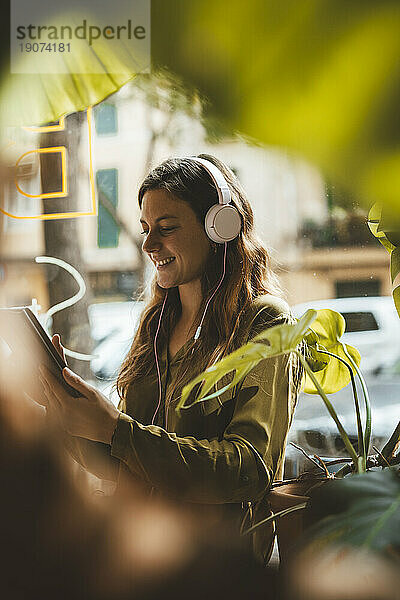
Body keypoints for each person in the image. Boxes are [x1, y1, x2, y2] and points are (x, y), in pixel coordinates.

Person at [40, 154, 302, 564]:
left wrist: (117, 430)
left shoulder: (263, 322)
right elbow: (125, 464)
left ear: (220, 227)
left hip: (216, 567)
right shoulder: (157, 325)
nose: (148, 245)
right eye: (146, 229)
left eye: (166, 228)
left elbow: (249, 469)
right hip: (142, 552)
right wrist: (66, 413)